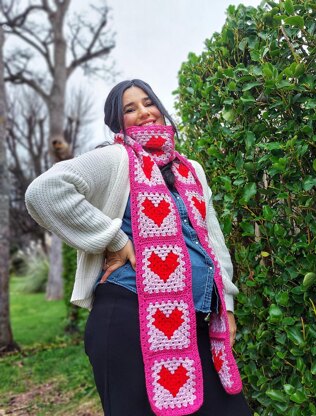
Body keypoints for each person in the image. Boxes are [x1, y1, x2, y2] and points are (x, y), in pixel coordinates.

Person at [25, 79, 252, 416]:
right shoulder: (116, 159)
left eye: (148, 103)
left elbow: (212, 241)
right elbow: (44, 192)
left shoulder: (190, 171)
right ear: (118, 123)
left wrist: (226, 306)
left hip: (195, 321)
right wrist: (115, 239)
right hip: (127, 322)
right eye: (130, 109)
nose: (144, 113)